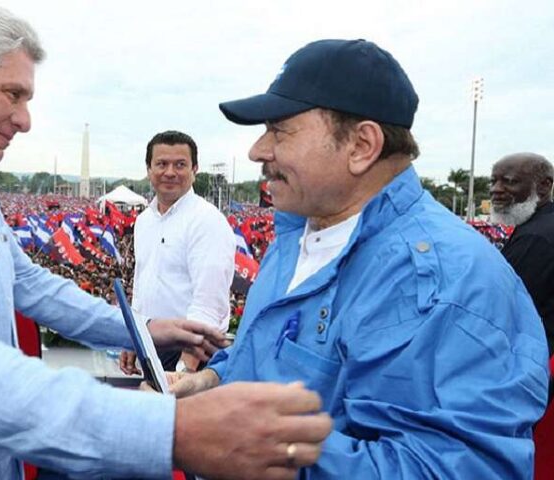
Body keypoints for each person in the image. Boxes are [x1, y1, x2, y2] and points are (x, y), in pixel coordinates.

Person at [0, 5, 332, 479]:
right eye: (13, 94)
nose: (25, 120)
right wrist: (170, 430)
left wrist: (141, 330)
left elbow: (29, 284)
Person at [166, 39, 549, 478]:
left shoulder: (444, 280)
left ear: (362, 146)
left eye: (279, 130)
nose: (258, 150)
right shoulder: (298, 232)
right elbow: (274, 350)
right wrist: (213, 380)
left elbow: (456, 469)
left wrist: (255, 446)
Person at [130, 130, 236, 372]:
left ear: (194, 169)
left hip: (192, 353)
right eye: (161, 164)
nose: (170, 172)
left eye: (180, 164)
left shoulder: (207, 221)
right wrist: (133, 338)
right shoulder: (144, 221)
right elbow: (142, 286)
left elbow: (209, 302)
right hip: (152, 343)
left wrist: (186, 368)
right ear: (149, 169)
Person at [491, 153, 554, 360]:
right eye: (493, 181)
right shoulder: (540, 225)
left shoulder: (536, 237)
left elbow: (503, 303)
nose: (496, 189)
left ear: (544, 186)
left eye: (509, 181)